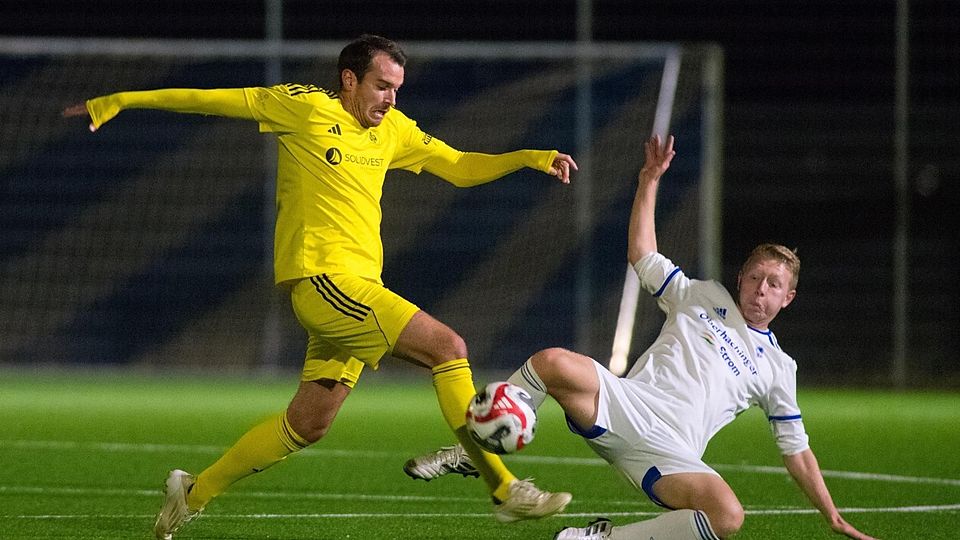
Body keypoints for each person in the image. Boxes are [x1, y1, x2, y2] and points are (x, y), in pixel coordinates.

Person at [65, 34, 577, 539]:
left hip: (356, 289)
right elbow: (210, 100)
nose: (391, 99)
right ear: (350, 80)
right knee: (448, 348)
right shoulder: (305, 108)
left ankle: (192, 492)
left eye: (397, 89)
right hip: (323, 281)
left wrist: (529, 157)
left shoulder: (393, 129)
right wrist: (120, 99)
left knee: (307, 424)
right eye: (381, 86)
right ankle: (504, 489)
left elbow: (459, 166)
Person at [404, 135, 877, 540]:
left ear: (788, 298)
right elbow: (643, 254)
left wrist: (831, 514)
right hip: (625, 403)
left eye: (774, 284)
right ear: (741, 278)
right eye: (755, 277)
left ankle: (600, 538)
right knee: (551, 361)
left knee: (728, 517)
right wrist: (648, 180)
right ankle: (478, 447)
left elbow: (795, 449)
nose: (760, 289)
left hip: (672, 450)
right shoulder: (703, 295)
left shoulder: (779, 368)